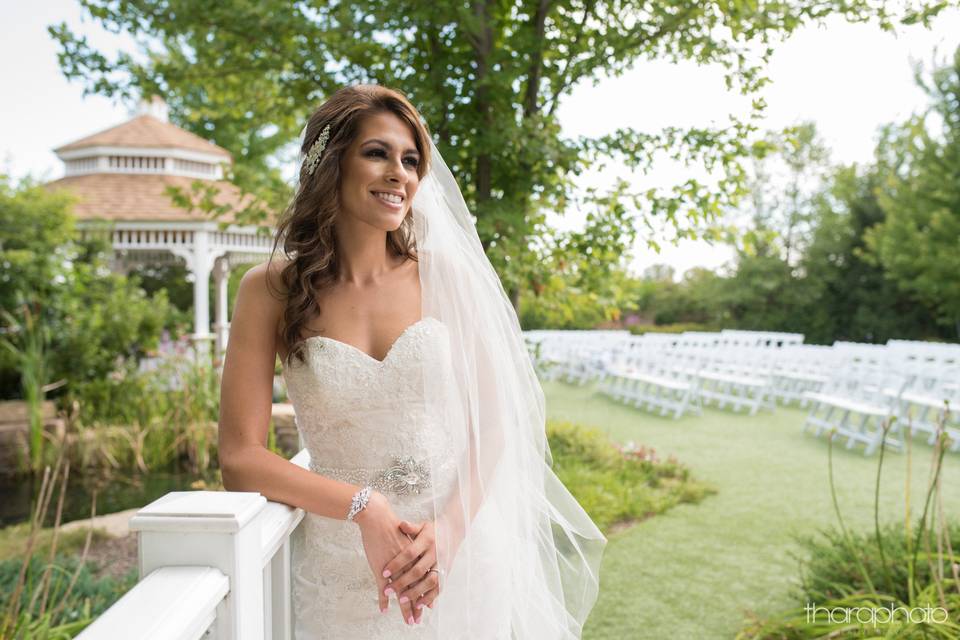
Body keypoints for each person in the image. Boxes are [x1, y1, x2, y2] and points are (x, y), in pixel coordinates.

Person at [218, 84, 606, 639]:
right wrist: (363, 507)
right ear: (330, 163)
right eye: (377, 153)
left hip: (453, 554)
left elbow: (495, 421)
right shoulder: (269, 291)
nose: (399, 173)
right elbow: (239, 458)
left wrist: (447, 532)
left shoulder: (445, 275)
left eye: (411, 160)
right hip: (339, 573)